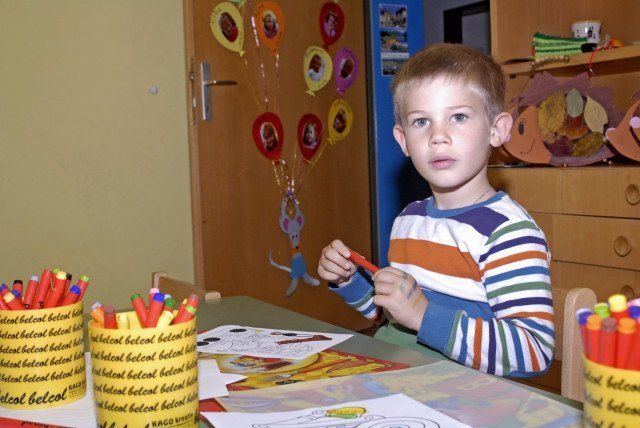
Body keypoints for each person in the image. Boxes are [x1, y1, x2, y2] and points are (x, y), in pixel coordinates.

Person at [318, 44, 554, 379]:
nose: (438, 136)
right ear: (404, 141)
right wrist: (349, 282)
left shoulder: (508, 233)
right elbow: (394, 318)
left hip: (466, 394)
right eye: (421, 121)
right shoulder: (408, 220)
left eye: (458, 117)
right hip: (400, 377)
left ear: (496, 130)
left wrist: (424, 315)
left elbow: (533, 353)